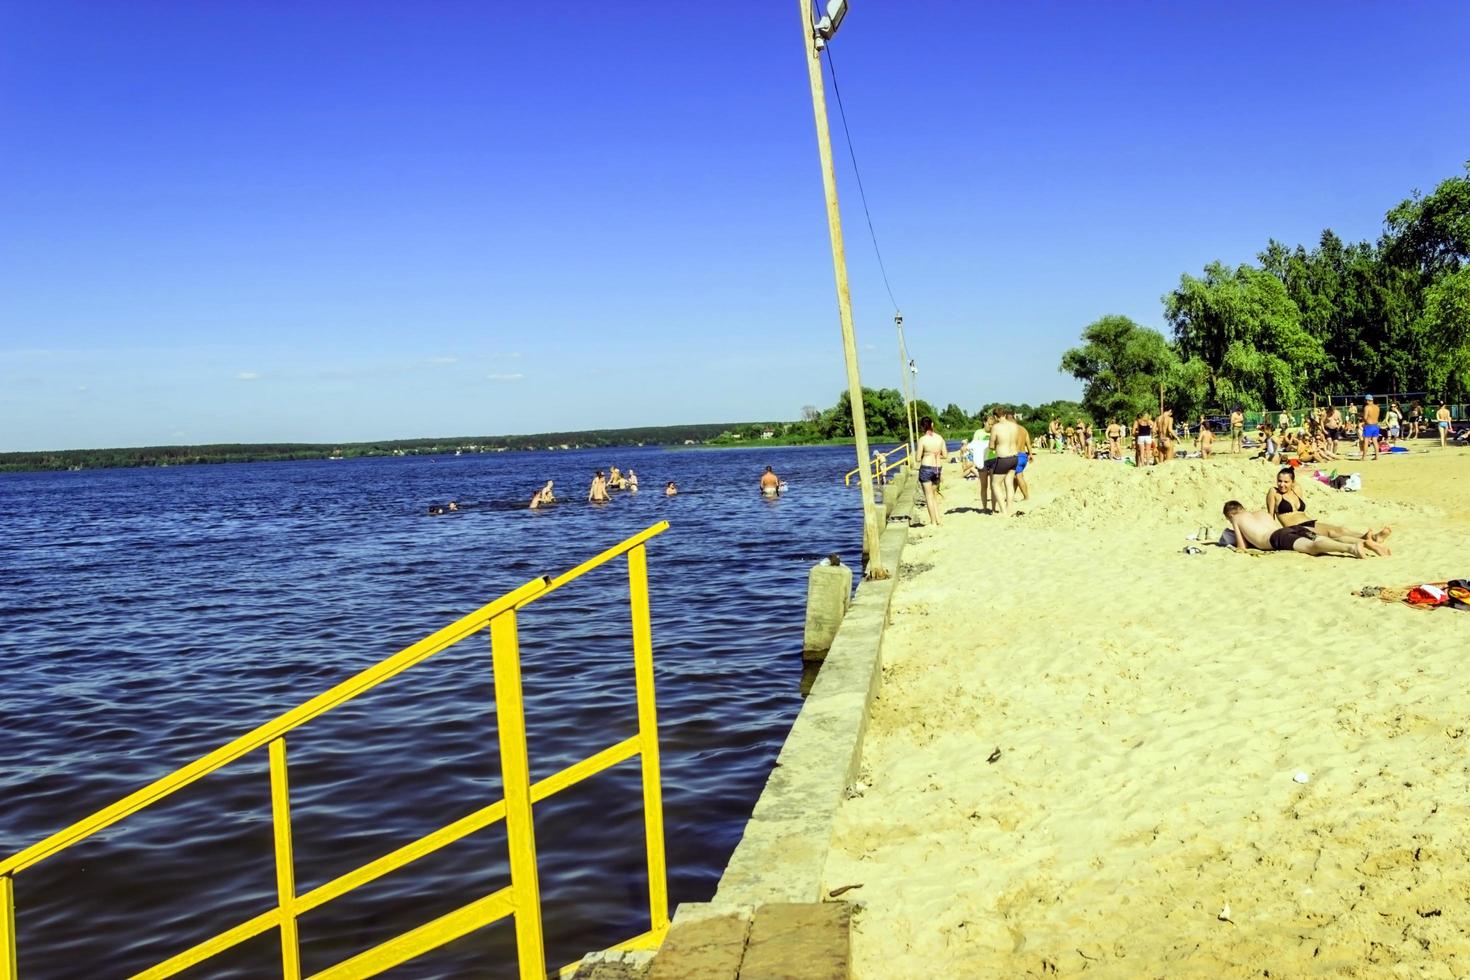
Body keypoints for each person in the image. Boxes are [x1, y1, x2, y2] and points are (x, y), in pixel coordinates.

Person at [1265, 466, 1391, 550]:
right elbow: (1270, 516)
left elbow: (1296, 479)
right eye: (1279, 481)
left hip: (1309, 522)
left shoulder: (1296, 489)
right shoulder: (1273, 492)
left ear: (1292, 482)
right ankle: (1368, 543)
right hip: (1296, 529)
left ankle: (1371, 537)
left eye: (1286, 482)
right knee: (1331, 535)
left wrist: (1292, 470)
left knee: (1340, 529)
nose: (1282, 484)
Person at [1222, 500, 1384, 558]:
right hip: (1291, 529)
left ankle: (1351, 548)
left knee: (1312, 547)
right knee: (1325, 539)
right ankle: (1366, 542)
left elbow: (1242, 547)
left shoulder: (1236, 518)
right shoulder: (1260, 512)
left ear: (1230, 515)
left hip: (1278, 538)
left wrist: (1232, 546)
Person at [988, 410, 1024, 515]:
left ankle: (1003, 511)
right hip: (1014, 457)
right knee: (1009, 483)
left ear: (995, 416)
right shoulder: (1014, 426)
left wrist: (995, 446)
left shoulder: (996, 427)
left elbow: (991, 445)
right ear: (1004, 414)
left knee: (995, 484)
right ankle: (1009, 508)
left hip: (1003, 458)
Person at [916, 415, 947, 526]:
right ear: (932, 425)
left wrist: (927, 454)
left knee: (928, 496)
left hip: (926, 467)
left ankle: (933, 522)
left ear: (922, 427)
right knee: (934, 495)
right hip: (937, 468)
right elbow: (945, 455)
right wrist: (936, 454)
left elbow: (918, 458)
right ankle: (938, 519)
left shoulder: (922, 440)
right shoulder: (940, 438)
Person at [1359, 395, 1381, 461]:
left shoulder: (1367, 407)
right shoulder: (1377, 407)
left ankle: (1364, 457)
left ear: (1367, 400)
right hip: (1376, 426)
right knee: (1375, 441)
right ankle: (1377, 456)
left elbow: (1365, 418)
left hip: (1369, 426)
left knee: (1366, 441)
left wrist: (1361, 418)